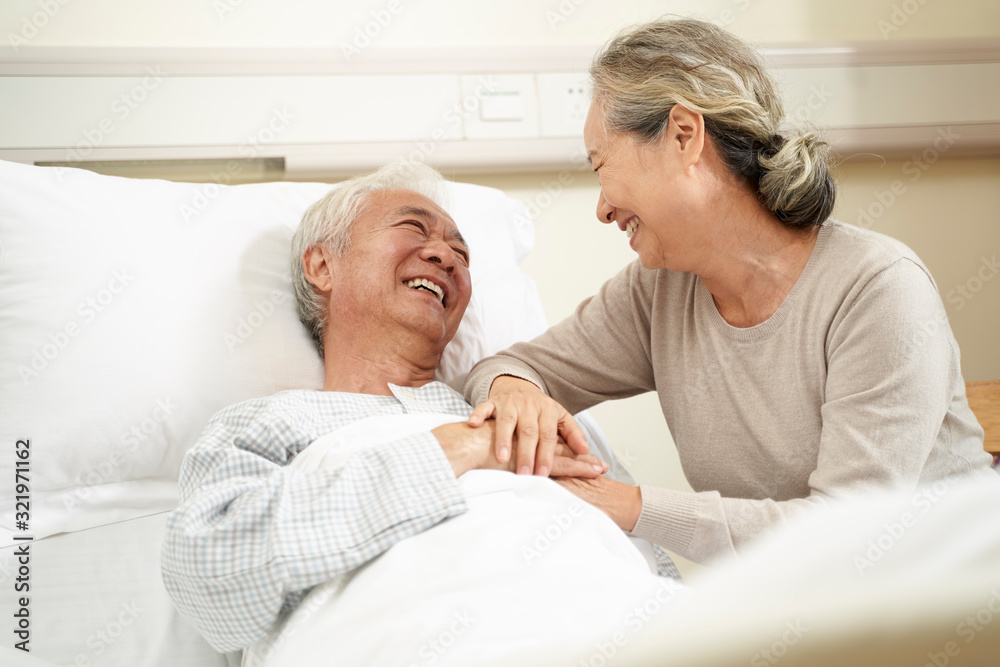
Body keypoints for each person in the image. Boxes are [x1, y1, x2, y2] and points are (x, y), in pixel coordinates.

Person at [463, 18, 995, 565]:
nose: (602, 208)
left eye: (602, 165)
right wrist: (514, 393)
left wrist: (623, 504)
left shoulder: (877, 290)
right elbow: (509, 367)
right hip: (793, 613)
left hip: (948, 604)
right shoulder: (659, 294)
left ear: (683, 136)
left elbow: (845, 534)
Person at [160, 162, 610, 652]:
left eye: (461, 253)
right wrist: (460, 448)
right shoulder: (264, 425)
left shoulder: (524, 411)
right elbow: (209, 578)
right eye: (413, 228)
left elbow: (628, 539)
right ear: (322, 266)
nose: (446, 257)